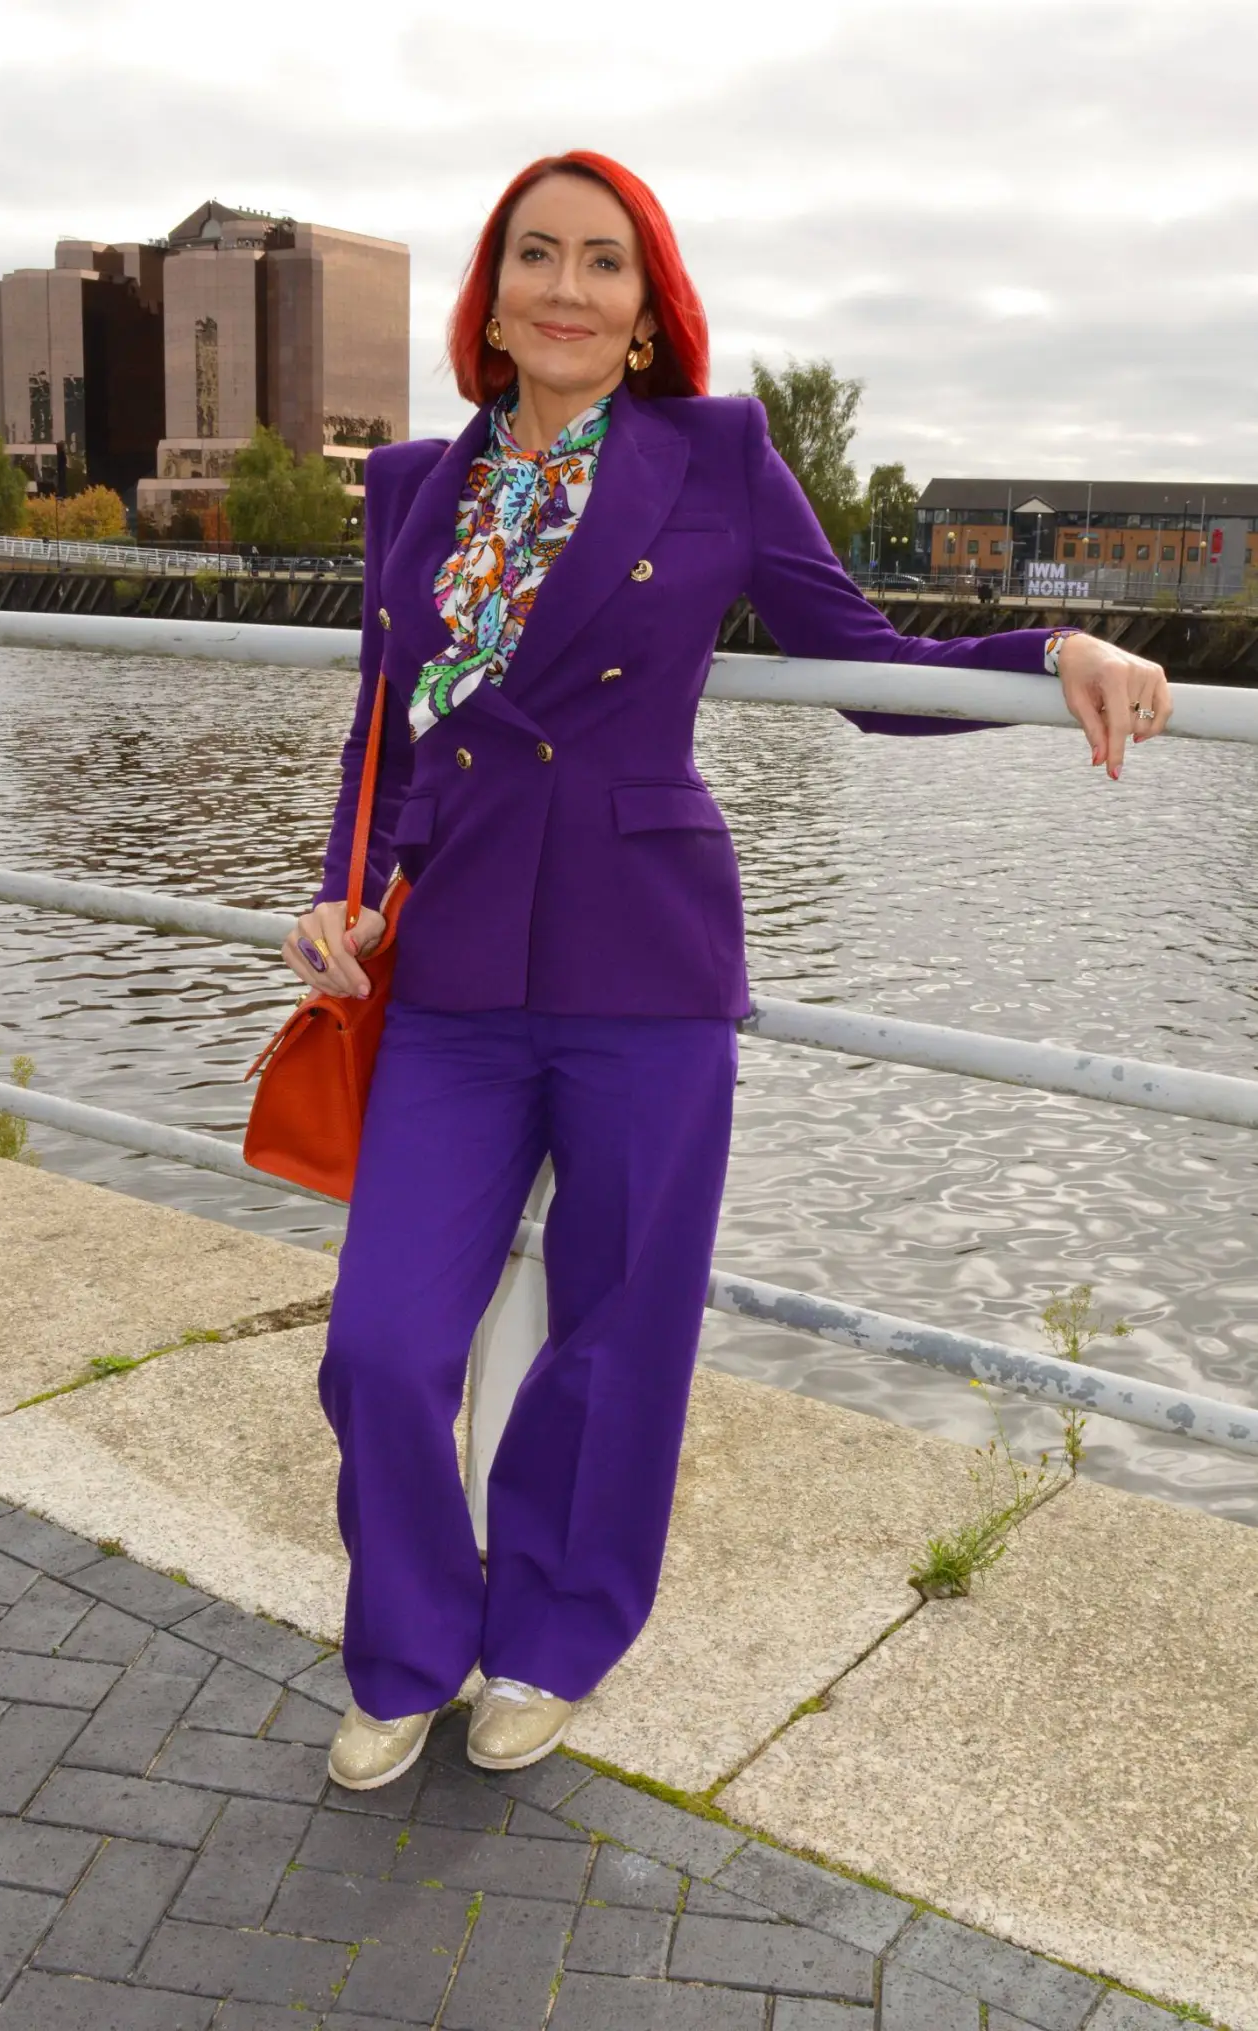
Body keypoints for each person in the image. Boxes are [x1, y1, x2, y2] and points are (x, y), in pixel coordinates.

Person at [283, 151, 1172, 1790]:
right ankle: (406, 1641)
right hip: (456, 978)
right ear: (489, 297)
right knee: (383, 1344)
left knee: (617, 1337)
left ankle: (549, 1639)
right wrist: (345, 890)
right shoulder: (412, 484)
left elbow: (865, 665)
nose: (565, 285)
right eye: (534, 256)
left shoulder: (716, 452)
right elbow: (383, 728)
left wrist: (1054, 654)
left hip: (647, 966)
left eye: (602, 264)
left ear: (644, 310)